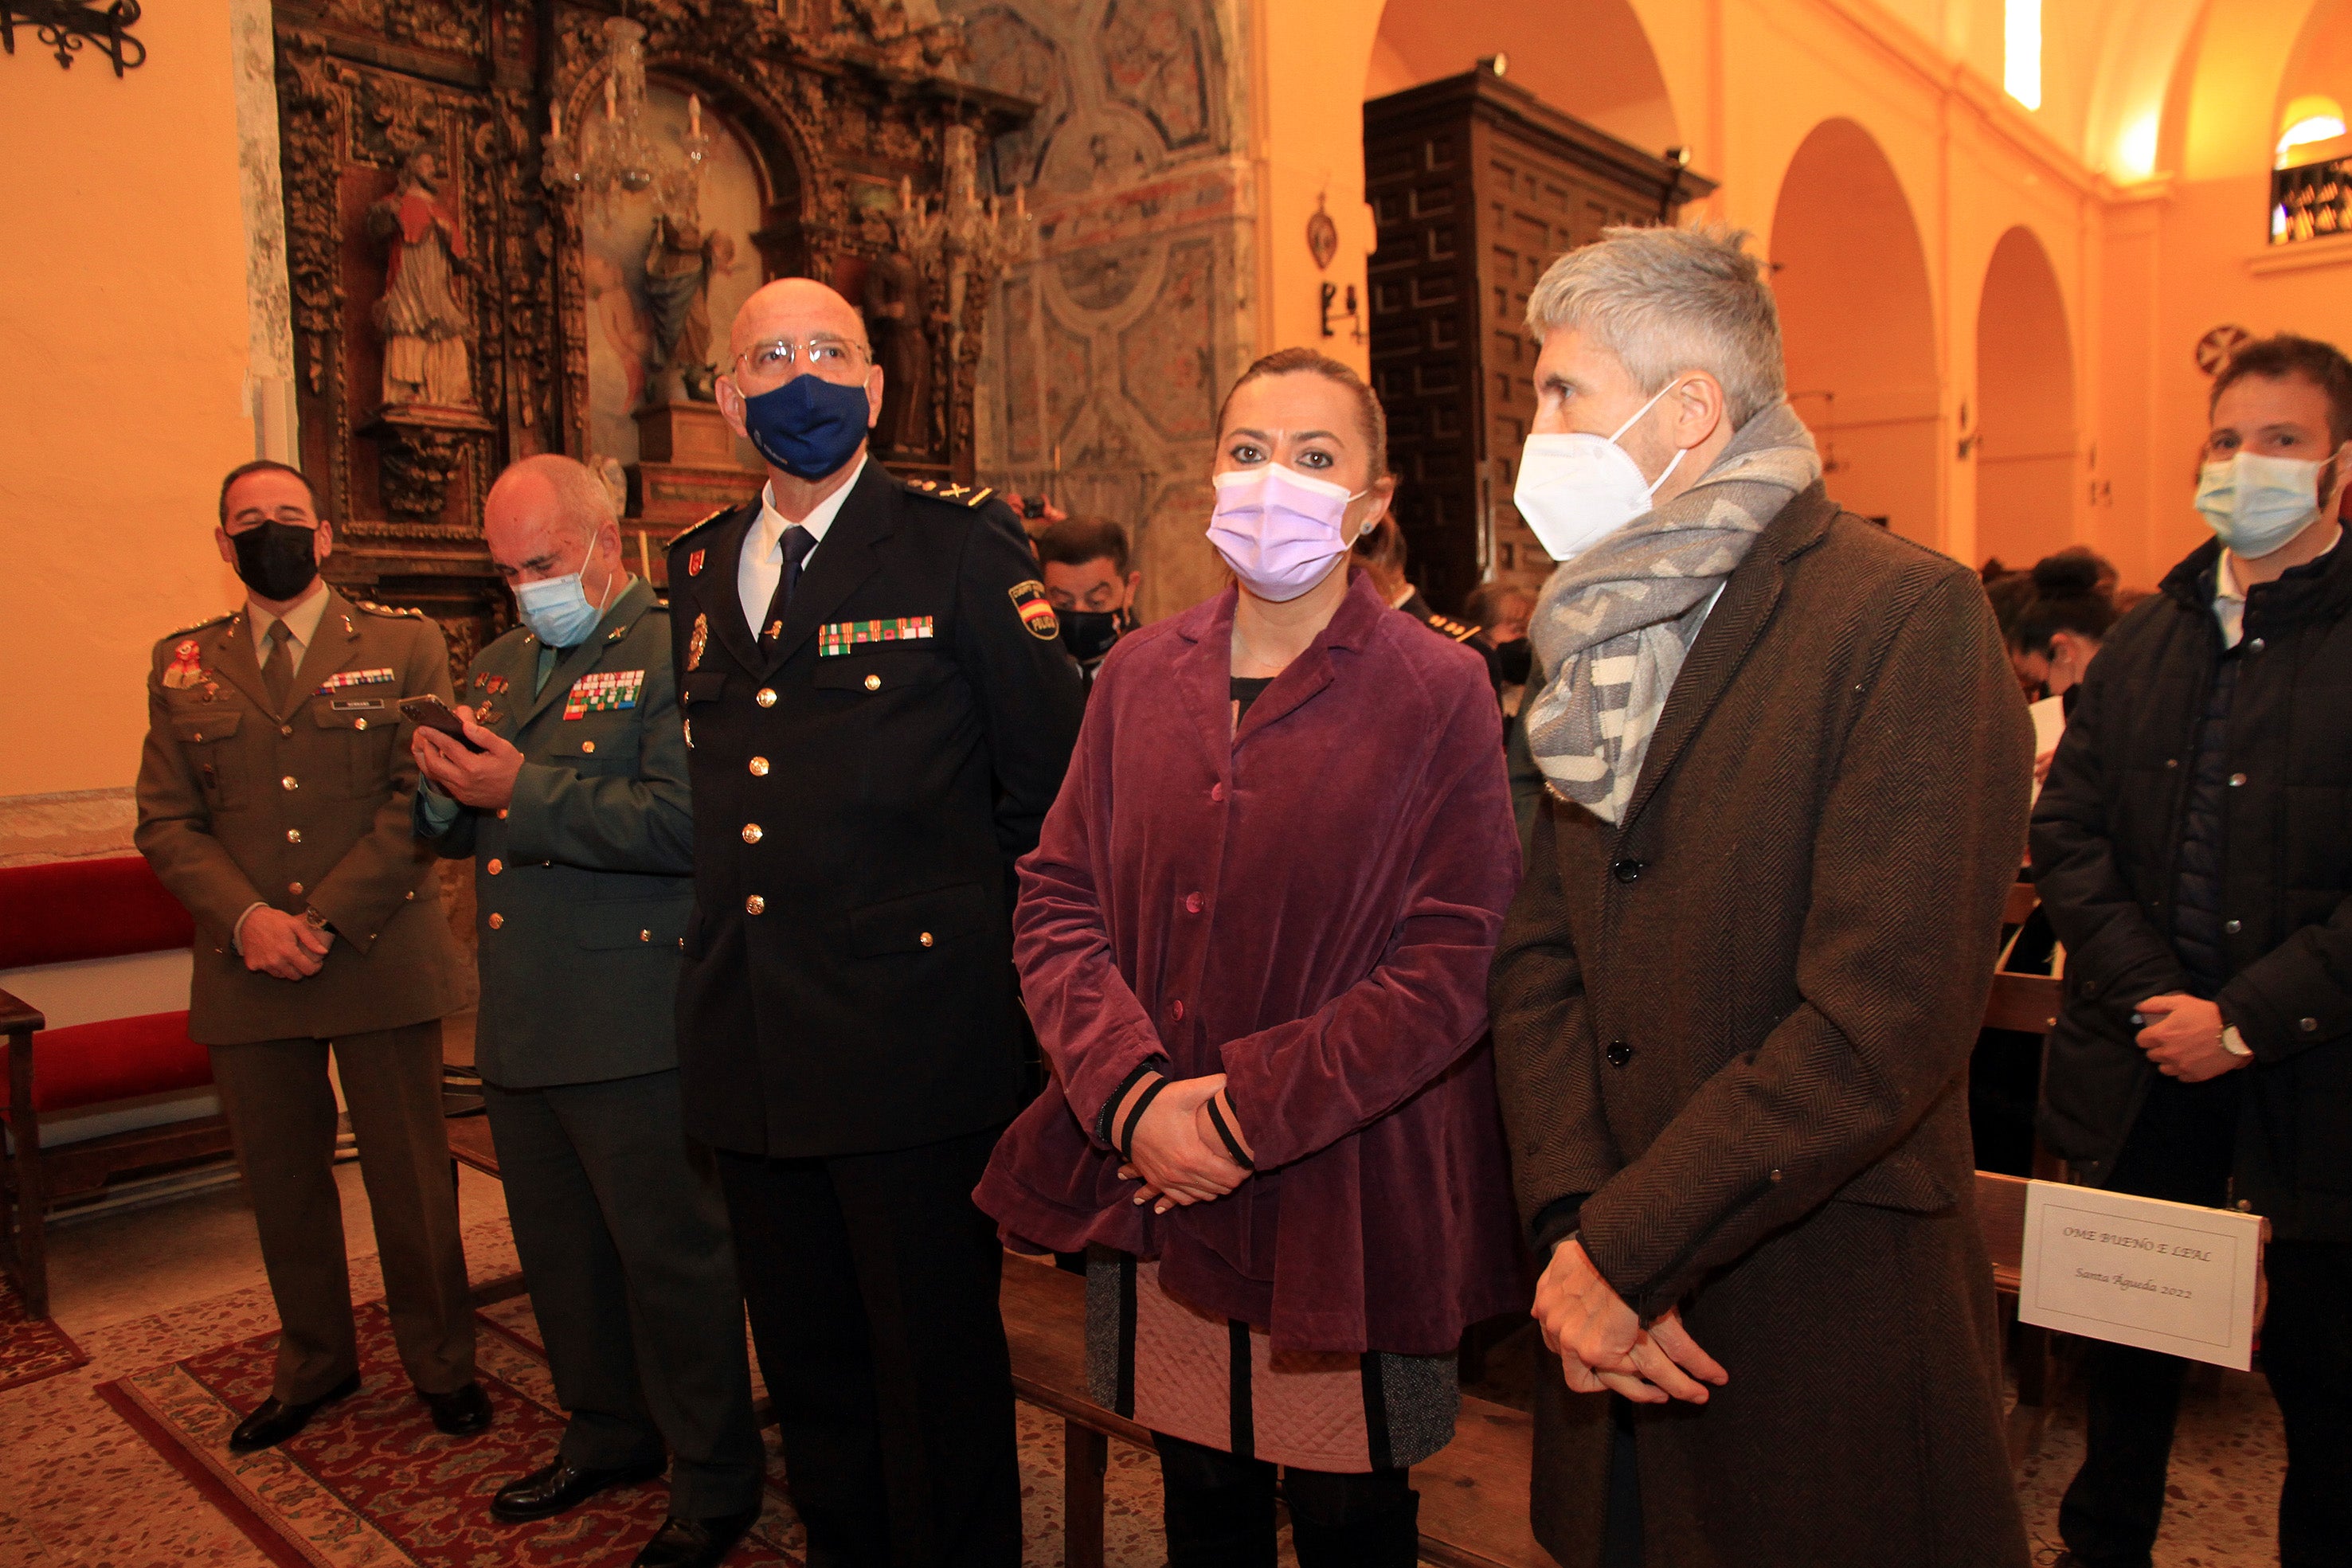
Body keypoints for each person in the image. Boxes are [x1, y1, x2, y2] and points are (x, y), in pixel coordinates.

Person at [1486, 225, 2033, 1568]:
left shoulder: (1902, 615)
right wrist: (1575, 1232)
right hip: (1607, 1312)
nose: (1535, 428)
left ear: (1688, 410)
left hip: (1815, 1298)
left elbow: (1878, 1014)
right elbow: (1537, 961)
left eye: (1564, 392)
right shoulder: (1584, 633)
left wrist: (1628, 1247)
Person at [976, 346, 1524, 1568]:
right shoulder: (1133, 675)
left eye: (1316, 458)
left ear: (1371, 504)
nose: (1276, 480)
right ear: (1210, 480)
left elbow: (1454, 957)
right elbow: (1056, 897)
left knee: (1347, 1518)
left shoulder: (1438, 687)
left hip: (1345, 1184)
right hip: (1148, 1173)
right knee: (1201, 1501)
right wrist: (1132, 1098)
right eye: (1248, 452)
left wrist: (1233, 1119)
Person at [665, 278, 1085, 1568]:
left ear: (877, 387)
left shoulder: (955, 543)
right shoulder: (690, 566)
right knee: (812, 1371)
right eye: (772, 355)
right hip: (751, 1037)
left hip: (912, 1042)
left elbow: (1050, 793)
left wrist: (1003, 997)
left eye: (832, 350)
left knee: (935, 1373)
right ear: (729, 395)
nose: (804, 375)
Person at [410, 456, 764, 1568]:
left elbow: (686, 825)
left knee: (671, 1262)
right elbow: (456, 834)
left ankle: (714, 1477)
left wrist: (523, 788)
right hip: (522, 1020)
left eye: (544, 562)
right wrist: (438, 783)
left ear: (608, 543)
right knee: (563, 1255)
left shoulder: (674, 648)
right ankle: (608, 1429)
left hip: (632, 1017)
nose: (526, 586)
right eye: (506, 568)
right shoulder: (505, 660)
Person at [2034, 332, 2352, 1568]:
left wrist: (2242, 1020)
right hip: (2145, 1066)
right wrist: (2157, 997)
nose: (2245, 464)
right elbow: (2067, 833)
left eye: (2280, 441)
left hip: (2313, 1084)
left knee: (2324, 1391)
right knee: (2124, 1367)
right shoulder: (2147, 640)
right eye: (2226, 440)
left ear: (2337, 469)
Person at [134, 460, 487, 1453]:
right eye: (249, 521)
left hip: (375, 950)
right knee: (283, 1182)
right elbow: (166, 821)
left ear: (324, 535)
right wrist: (247, 918)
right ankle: (316, 1361)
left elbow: (416, 799)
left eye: (289, 517)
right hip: (247, 964)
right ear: (222, 543)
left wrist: (322, 920)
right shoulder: (183, 665)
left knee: (411, 1180)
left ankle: (442, 1363)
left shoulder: (405, 643)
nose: (271, 533)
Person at [2010, 546, 2122, 787]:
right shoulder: (2118, 688)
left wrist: (2085, 769)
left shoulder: (2136, 695)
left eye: (2040, 679)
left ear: (2063, 650)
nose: (2050, 691)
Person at [1034, 514, 1141, 689]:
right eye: (1063, 603)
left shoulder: (1160, 672)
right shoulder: (1024, 671)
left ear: (1130, 589)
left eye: (1096, 602)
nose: (1079, 612)